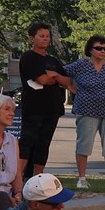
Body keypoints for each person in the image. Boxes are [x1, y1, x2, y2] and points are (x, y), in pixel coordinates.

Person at [65, 35, 105, 191]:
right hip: (86, 111)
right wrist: (69, 86)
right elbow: (61, 72)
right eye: (99, 48)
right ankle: (82, 179)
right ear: (90, 50)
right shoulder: (81, 65)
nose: (103, 51)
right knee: (84, 145)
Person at [17, 23, 71, 177]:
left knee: (44, 142)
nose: (45, 39)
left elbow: (67, 81)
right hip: (34, 108)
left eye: (47, 36)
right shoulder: (28, 57)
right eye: (42, 36)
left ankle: (37, 176)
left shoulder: (53, 60)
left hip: (52, 108)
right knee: (27, 141)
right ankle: (19, 175)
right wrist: (51, 77)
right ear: (32, 38)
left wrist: (54, 74)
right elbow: (43, 80)